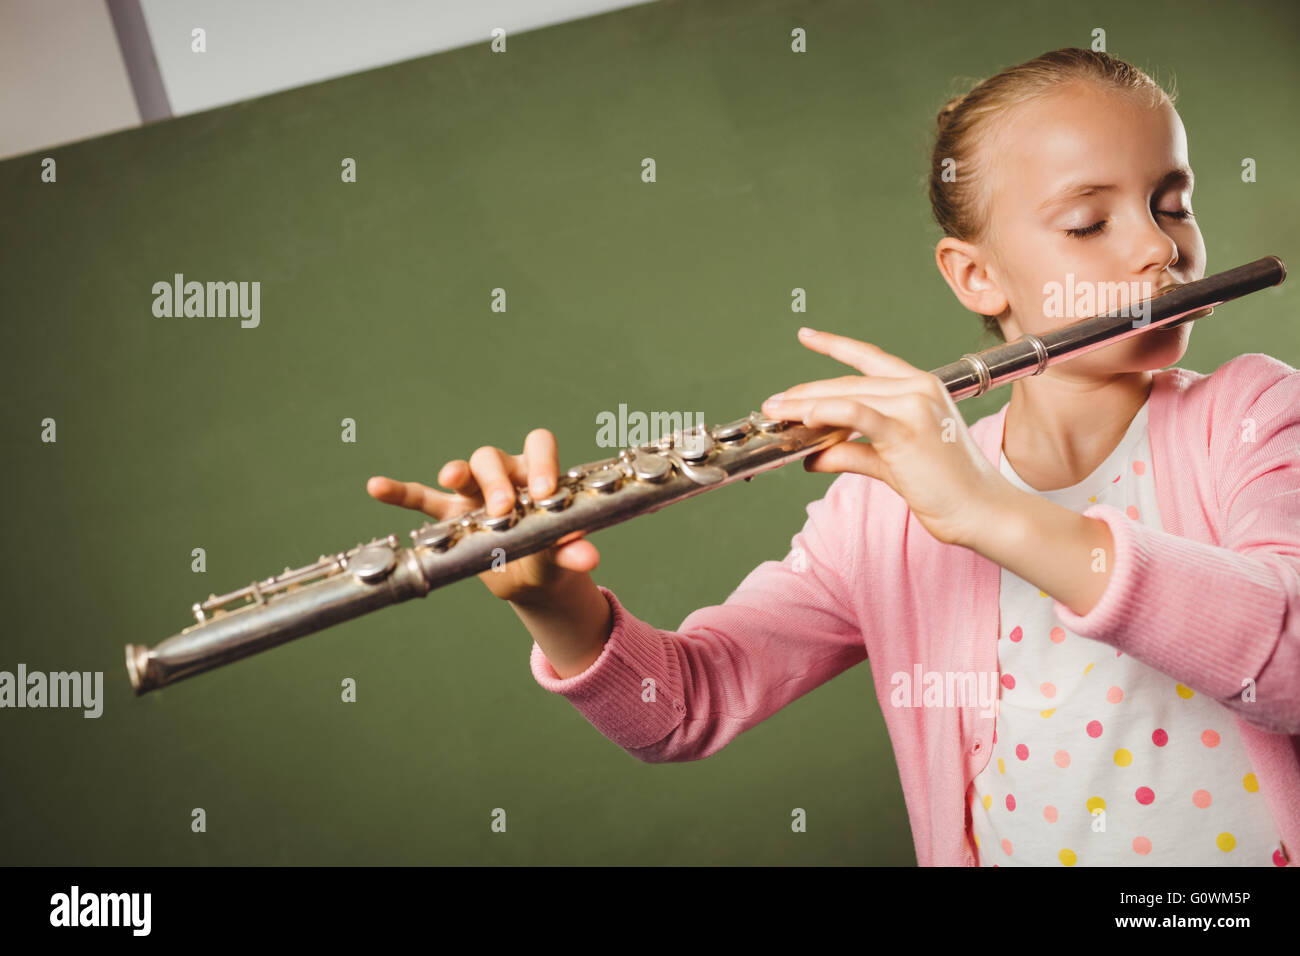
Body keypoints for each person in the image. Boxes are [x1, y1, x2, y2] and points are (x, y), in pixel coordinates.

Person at [367, 48, 1299, 866]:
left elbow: (1289, 666)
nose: (1158, 249)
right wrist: (558, 608)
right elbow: (683, 708)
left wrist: (987, 513)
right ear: (976, 275)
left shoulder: (1255, 415)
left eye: (1172, 204)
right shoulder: (882, 512)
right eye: (1090, 224)